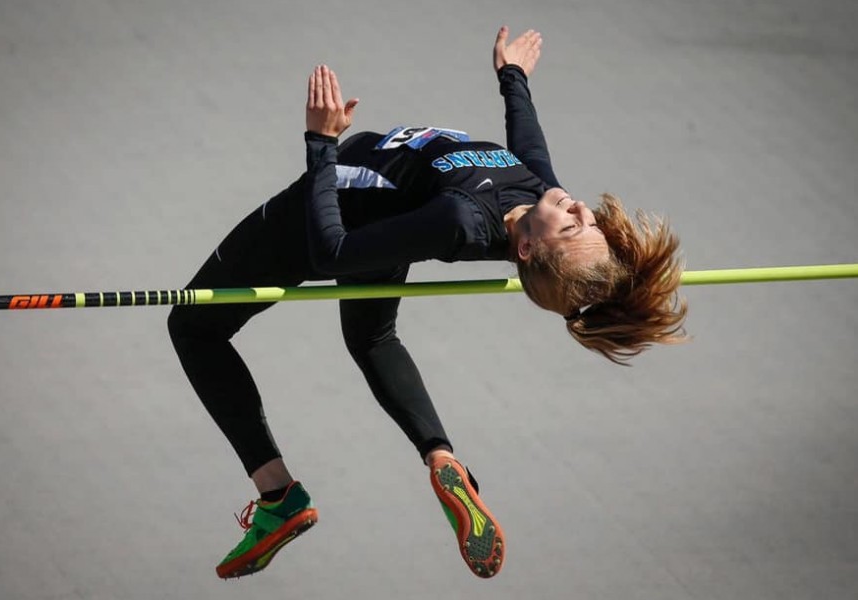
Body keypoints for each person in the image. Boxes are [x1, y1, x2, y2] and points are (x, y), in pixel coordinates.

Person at [167, 26, 687, 580]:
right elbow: (530, 146)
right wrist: (512, 78)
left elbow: (331, 254)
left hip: (323, 215)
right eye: (587, 221)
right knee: (371, 338)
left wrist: (321, 143)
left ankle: (277, 496)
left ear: (531, 246)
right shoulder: (539, 196)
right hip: (383, 222)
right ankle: (443, 459)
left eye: (573, 224)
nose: (581, 208)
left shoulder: (462, 222)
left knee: (193, 328)